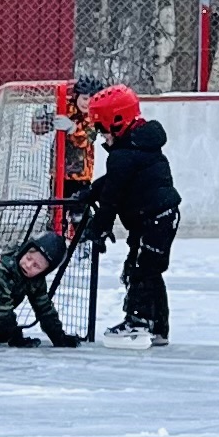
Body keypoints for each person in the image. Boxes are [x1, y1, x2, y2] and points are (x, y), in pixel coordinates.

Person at [70, 87, 182, 347]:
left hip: (154, 219)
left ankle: (138, 322)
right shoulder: (142, 143)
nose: (101, 136)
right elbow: (115, 181)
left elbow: (111, 199)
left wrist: (97, 229)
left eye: (102, 129)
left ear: (117, 122)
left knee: (141, 270)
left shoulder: (123, 155)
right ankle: (158, 327)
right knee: (150, 270)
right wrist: (90, 192)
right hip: (158, 217)